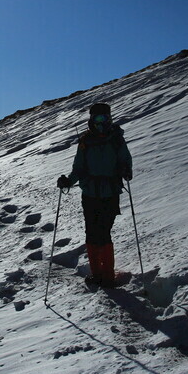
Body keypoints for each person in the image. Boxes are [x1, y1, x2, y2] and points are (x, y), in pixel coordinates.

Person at [57, 102, 133, 287]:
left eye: (104, 118)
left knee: (103, 232)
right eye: (97, 118)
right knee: (92, 232)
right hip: (90, 193)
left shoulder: (116, 139)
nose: (100, 123)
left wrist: (126, 170)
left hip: (110, 192)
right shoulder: (85, 141)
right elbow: (79, 167)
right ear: (91, 119)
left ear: (109, 118)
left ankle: (106, 276)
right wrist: (68, 181)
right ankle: (98, 274)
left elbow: (125, 159)